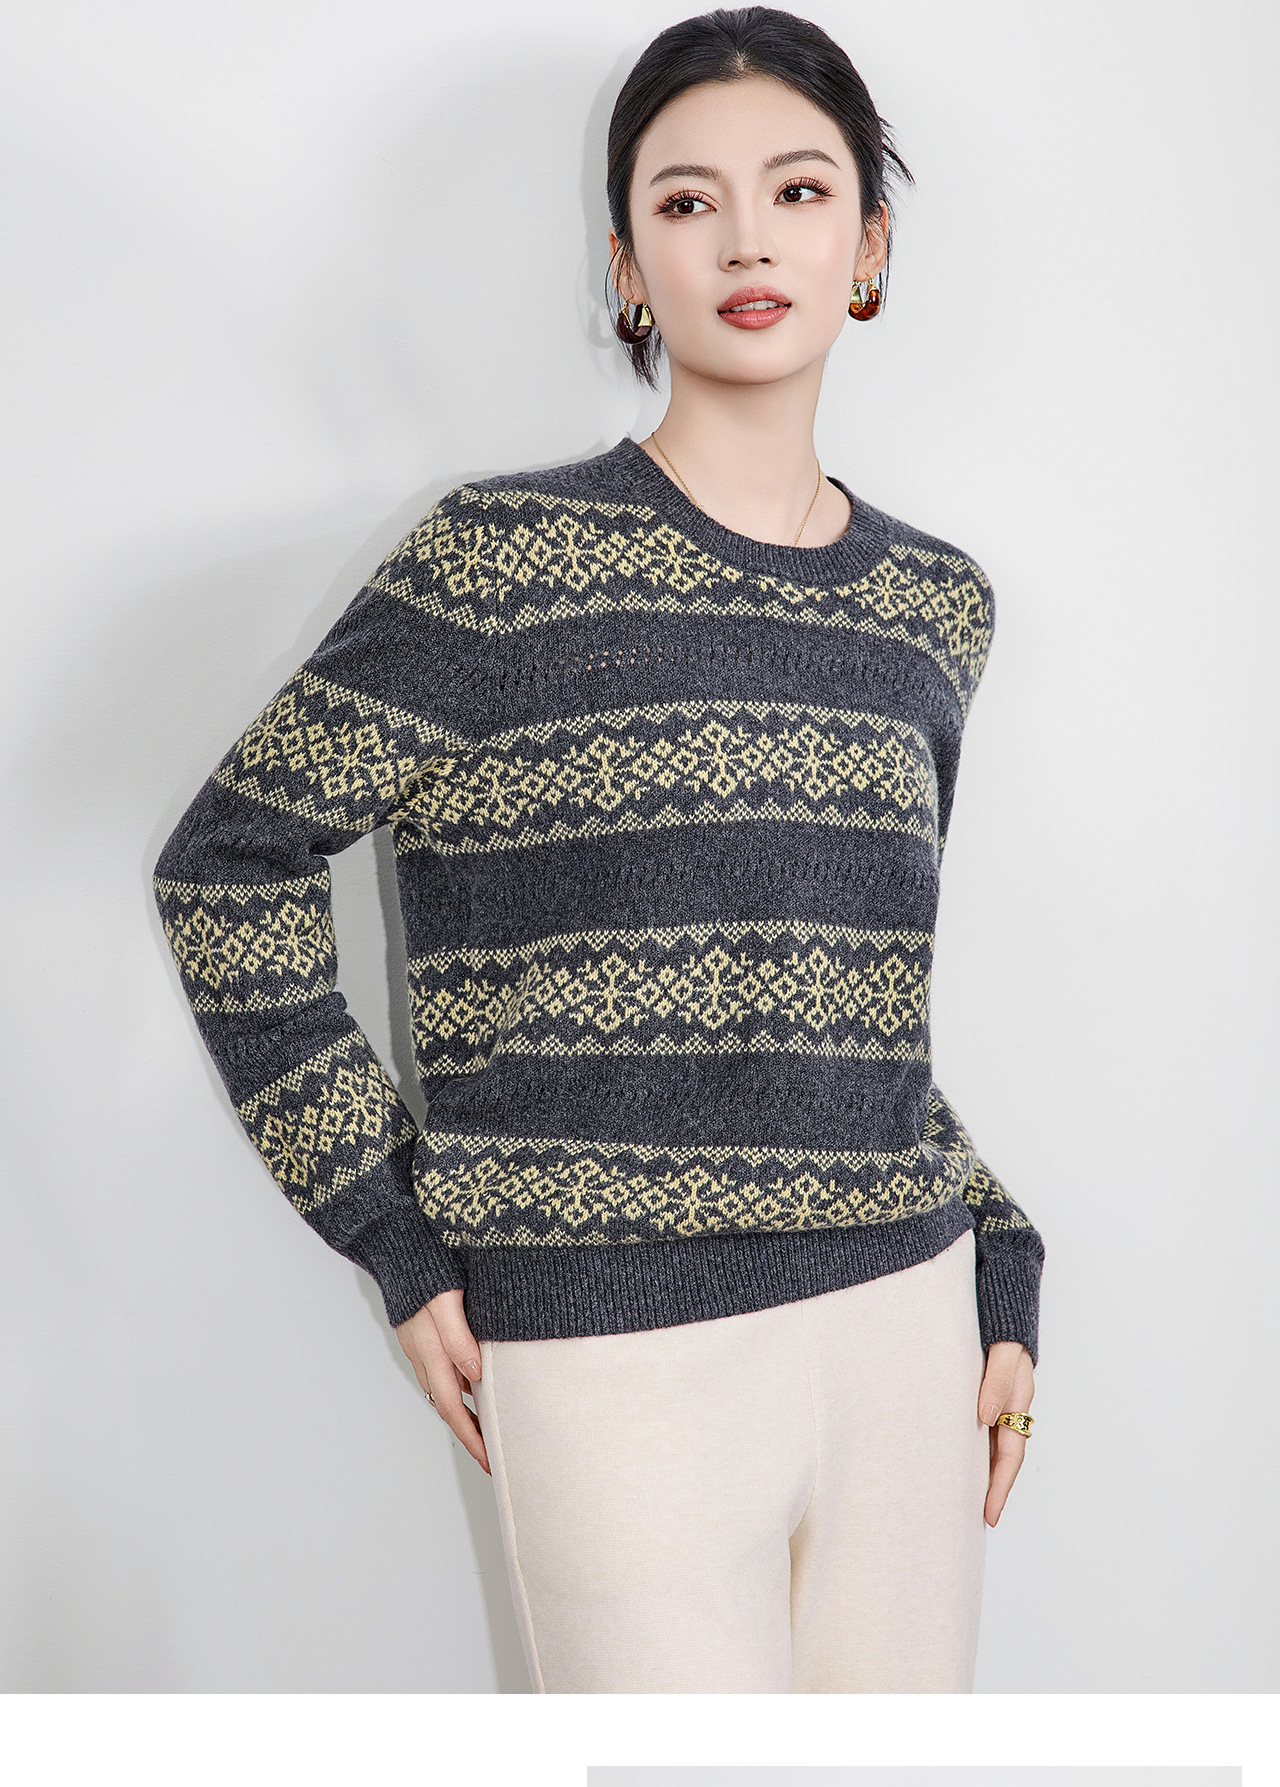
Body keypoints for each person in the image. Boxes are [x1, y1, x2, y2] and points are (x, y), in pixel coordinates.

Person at [153, 5, 1044, 1694]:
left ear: (868, 244)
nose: (747, 240)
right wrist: (389, 1230)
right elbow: (228, 869)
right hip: (616, 1358)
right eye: (687, 202)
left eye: (799, 190)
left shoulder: (935, 608)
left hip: (908, 1323)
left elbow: (848, 1007)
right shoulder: (496, 565)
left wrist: (1000, 1246)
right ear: (629, 266)